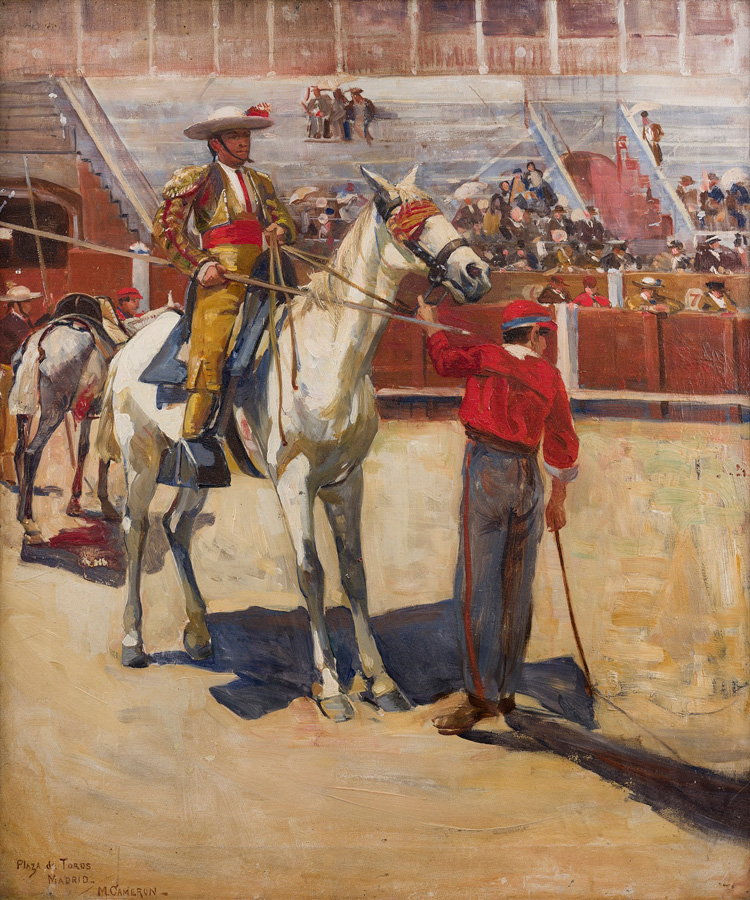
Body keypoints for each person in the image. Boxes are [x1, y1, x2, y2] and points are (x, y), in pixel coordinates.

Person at [415, 297, 579, 735]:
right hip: (529, 476)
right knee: (515, 584)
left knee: (478, 583)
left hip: (487, 467)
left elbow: (446, 360)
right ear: (533, 334)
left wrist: (431, 324)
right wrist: (557, 499)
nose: (547, 342)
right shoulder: (549, 375)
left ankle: (480, 697)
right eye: (544, 334)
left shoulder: (487, 356)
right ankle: (503, 690)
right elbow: (562, 439)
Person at [152, 104, 295, 486]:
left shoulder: (262, 182)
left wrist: (280, 229)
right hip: (221, 276)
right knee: (209, 351)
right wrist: (200, 265)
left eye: (246, 135)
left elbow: (284, 219)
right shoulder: (197, 179)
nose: (244, 142)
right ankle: (193, 443)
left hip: (268, 272)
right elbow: (167, 230)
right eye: (235, 136)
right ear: (216, 143)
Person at [0, 285, 38, 485]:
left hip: (10, 373)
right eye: (27, 302)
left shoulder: (20, 322)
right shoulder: (12, 324)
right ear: (16, 305)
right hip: (7, 374)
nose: (30, 306)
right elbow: (29, 342)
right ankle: (7, 471)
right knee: (8, 421)